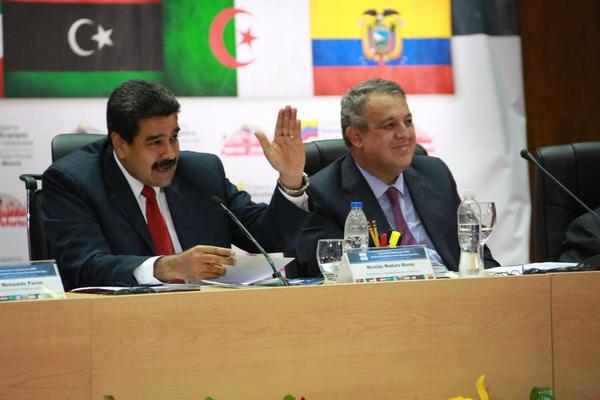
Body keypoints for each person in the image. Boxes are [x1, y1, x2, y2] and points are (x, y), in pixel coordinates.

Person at [42, 79, 309, 290]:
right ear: (120, 144)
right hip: (122, 324)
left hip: (210, 319)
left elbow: (268, 239)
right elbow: (83, 267)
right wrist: (168, 267)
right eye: (155, 142)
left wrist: (291, 177)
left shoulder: (202, 173)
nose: (170, 154)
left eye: (173, 137)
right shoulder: (73, 182)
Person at [294, 78, 498, 277]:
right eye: (390, 125)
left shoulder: (435, 174)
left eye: (408, 122)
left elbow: (478, 255)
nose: (404, 133)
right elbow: (329, 276)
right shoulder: (324, 193)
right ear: (356, 137)